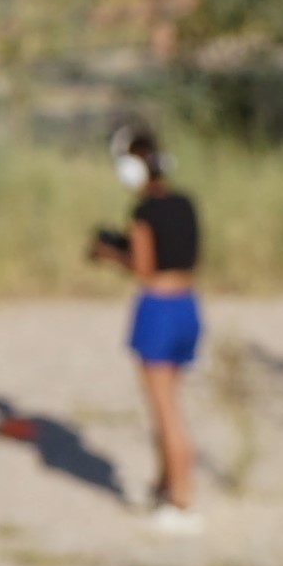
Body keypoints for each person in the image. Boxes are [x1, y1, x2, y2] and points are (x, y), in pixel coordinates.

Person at [89, 124, 203, 532]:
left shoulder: (143, 213)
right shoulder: (185, 203)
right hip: (189, 306)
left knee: (166, 412)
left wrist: (110, 252)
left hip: (156, 308)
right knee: (171, 403)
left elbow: (142, 266)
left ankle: (182, 502)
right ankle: (163, 486)